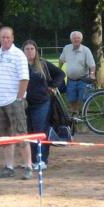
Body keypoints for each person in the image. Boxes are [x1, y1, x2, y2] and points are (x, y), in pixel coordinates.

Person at [0, 26, 32, 180]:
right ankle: (9, 167)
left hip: (14, 101)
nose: (5, 40)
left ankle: (28, 166)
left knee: (21, 134)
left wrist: (19, 99)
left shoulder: (19, 55)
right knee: (4, 138)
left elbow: (24, 79)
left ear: (12, 38)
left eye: (8, 37)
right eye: (2, 37)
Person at [23, 40, 65, 171]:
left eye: (32, 49)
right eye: (27, 49)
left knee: (40, 131)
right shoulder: (20, 65)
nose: (29, 51)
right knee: (29, 132)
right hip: (24, 104)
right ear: (23, 51)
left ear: (36, 51)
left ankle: (42, 160)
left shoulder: (43, 64)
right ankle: (31, 160)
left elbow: (60, 74)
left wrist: (53, 86)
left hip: (42, 103)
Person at [58, 31, 96, 116]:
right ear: (71, 39)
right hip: (71, 80)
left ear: (81, 39)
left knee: (85, 100)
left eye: (78, 38)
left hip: (83, 80)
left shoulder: (86, 50)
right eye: (74, 38)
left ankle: (86, 119)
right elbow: (61, 60)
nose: (76, 40)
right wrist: (58, 70)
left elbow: (92, 65)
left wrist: (92, 74)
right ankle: (74, 119)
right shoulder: (66, 48)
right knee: (72, 100)